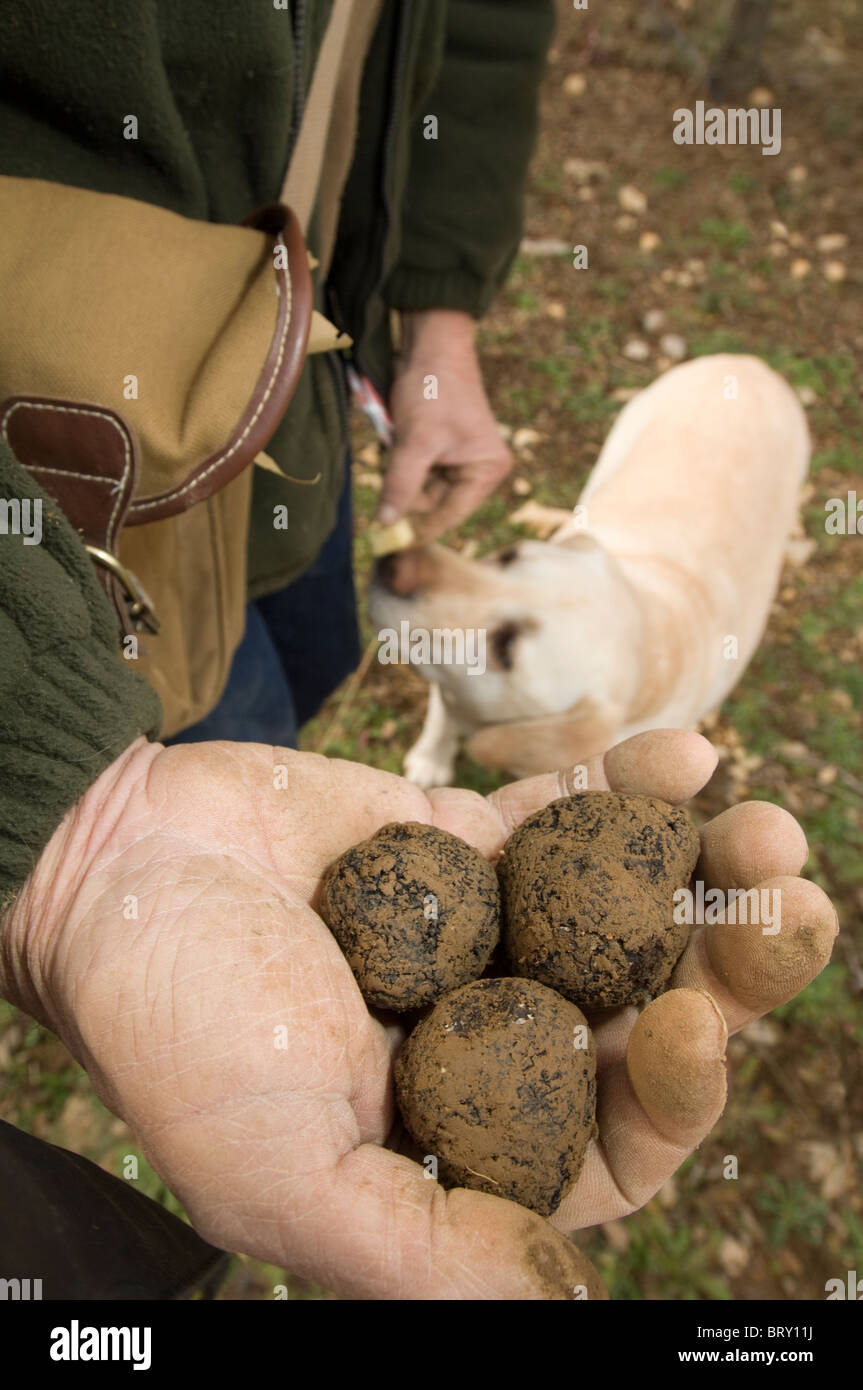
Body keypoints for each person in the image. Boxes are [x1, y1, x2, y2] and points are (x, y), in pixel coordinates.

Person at [0, 2, 838, 1298]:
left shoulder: (596, 742)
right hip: (84, 387)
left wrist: (439, 303)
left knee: (317, 641)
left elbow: (481, 17)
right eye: (509, 580)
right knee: (247, 687)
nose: (437, 587)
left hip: (300, 347)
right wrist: (78, 826)